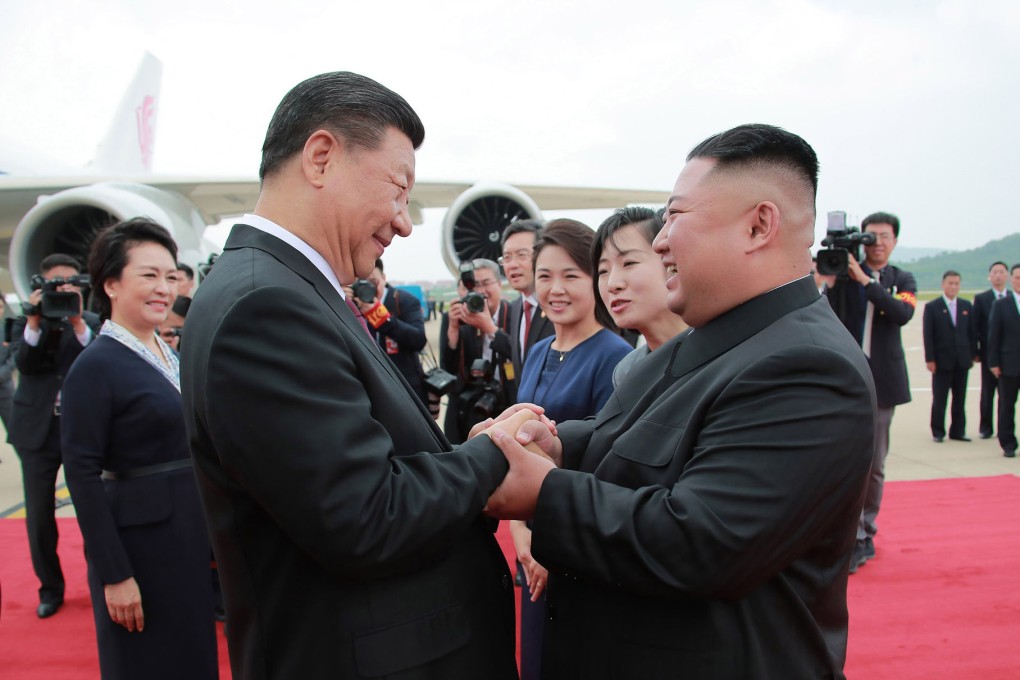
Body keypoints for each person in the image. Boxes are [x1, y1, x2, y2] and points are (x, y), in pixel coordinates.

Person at [483, 124, 876, 680]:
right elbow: (618, 436)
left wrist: (544, 492)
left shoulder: (808, 365)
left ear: (759, 225)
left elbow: (701, 541)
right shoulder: (713, 338)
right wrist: (551, 444)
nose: (661, 239)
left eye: (676, 217)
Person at [179, 71, 519, 679]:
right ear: (321, 157)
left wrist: (454, 457)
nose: (405, 222)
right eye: (398, 190)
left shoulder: (287, 289)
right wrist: (492, 454)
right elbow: (364, 516)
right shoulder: (267, 305)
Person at [60, 218, 217, 679]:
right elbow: (82, 473)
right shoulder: (96, 366)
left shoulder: (169, 353)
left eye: (170, 276)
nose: (163, 288)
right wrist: (114, 573)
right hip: (140, 550)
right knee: (147, 663)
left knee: (191, 656)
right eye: (148, 275)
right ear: (110, 283)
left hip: (184, 539)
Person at [510, 218, 632, 680]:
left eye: (571, 276)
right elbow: (518, 443)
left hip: (578, 542)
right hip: (530, 539)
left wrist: (547, 544)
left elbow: (604, 464)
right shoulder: (539, 350)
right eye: (545, 276)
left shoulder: (615, 358)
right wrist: (522, 533)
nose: (555, 289)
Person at [7, 253, 101, 618]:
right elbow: (25, 364)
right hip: (36, 432)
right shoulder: (26, 324)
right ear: (39, 286)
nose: (60, 290)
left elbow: (94, 362)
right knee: (39, 517)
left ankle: (100, 582)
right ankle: (50, 588)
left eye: (67, 283)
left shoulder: (90, 323)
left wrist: (77, 321)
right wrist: (34, 320)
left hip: (81, 430)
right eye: (53, 284)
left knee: (93, 511)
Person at [825, 211, 916, 573]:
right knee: (837, 461)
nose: (877, 242)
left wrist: (865, 280)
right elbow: (823, 311)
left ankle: (864, 534)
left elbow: (902, 312)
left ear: (894, 241)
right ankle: (839, 533)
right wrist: (829, 280)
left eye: (884, 236)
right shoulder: (843, 277)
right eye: (870, 236)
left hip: (883, 383)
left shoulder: (903, 279)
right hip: (842, 380)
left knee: (874, 465)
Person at [593, 206, 689, 386]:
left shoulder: (723, 353)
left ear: (671, 262)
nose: (612, 284)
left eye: (629, 263)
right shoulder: (626, 371)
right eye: (603, 271)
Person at [440, 258, 511, 444]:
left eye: (486, 283)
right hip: (466, 405)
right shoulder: (456, 317)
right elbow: (447, 369)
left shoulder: (513, 314)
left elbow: (521, 358)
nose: (480, 291)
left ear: (499, 284)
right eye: (474, 285)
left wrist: (489, 328)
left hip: (506, 404)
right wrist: (453, 332)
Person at [345, 258, 428, 404]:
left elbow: (419, 340)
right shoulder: (352, 304)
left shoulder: (404, 300)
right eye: (361, 283)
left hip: (405, 386)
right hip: (370, 388)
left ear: (383, 278)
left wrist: (380, 317)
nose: (367, 288)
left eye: (372, 282)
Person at [491, 219, 554, 403]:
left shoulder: (558, 306)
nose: (512, 265)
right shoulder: (517, 307)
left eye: (522, 255)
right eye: (507, 257)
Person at [923, 270, 977, 443]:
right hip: (941, 360)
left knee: (960, 398)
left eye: (956, 283)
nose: (953, 286)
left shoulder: (966, 306)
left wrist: (973, 354)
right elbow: (928, 335)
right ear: (943, 284)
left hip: (962, 360)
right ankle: (938, 431)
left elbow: (972, 333)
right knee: (940, 398)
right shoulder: (933, 306)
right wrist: (930, 359)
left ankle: (958, 431)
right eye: (950, 283)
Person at [974, 261, 1010, 439]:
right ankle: (986, 427)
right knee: (988, 393)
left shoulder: (1013, 297)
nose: (998, 275)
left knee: (1007, 396)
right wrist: (977, 351)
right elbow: (975, 327)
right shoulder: (982, 299)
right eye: (995, 272)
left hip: (1011, 356)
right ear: (990, 276)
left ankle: (1004, 429)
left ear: (1007, 276)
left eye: (1002, 272)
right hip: (989, 354)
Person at [987, 263, 1020, 458]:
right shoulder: (1001, 304)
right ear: (1011, 279)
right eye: (1017, 277)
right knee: (1007, 405)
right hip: (1009, 364)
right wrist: (994, 362)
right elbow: (994, 336)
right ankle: (1008, 443)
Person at [0, 296, 16, 436]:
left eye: (0, 307)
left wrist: (1, 374)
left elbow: (14, 356)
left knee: (15, 431)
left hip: (4, 388)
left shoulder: (9, 330)